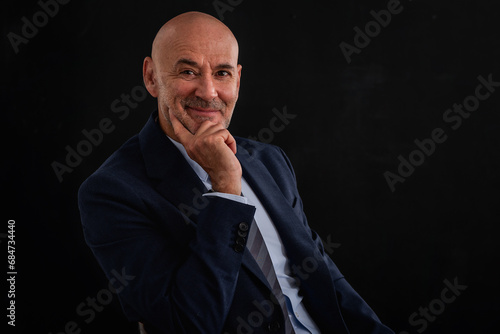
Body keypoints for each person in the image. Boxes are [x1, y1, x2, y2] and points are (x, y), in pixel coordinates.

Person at [78, 11, 394, 334]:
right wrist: (226, 189)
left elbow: (324, 276)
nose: (208, 91)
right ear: (151, 77)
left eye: (222, 73)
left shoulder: (270, 161)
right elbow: (186, 324)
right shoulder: (112, 192)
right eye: (188, 71)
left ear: (238, 81)